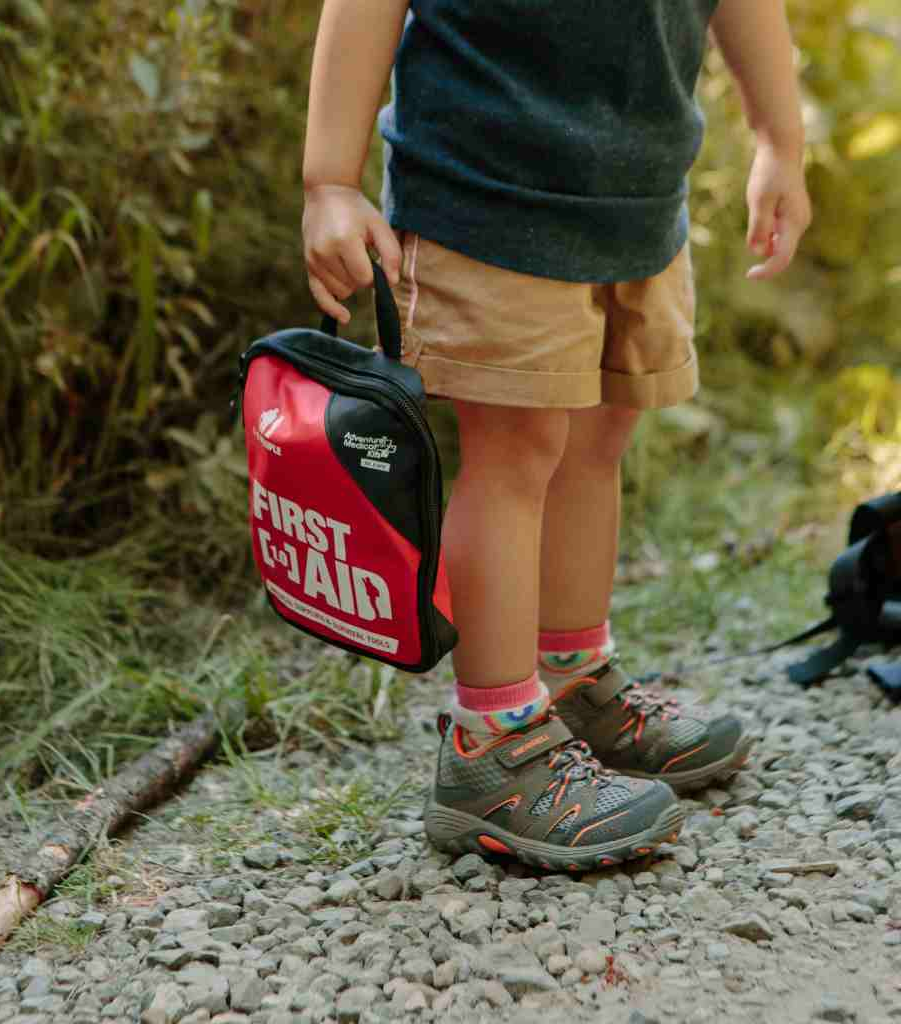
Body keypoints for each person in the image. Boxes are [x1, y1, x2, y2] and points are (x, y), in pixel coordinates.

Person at [300, 0, 811, 871]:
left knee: (599, 432)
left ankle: (570, 682)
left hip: (640, 198)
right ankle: (491, 745)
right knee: (517, 448)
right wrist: (330, 182)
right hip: (485, 193)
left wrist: (780, 142)